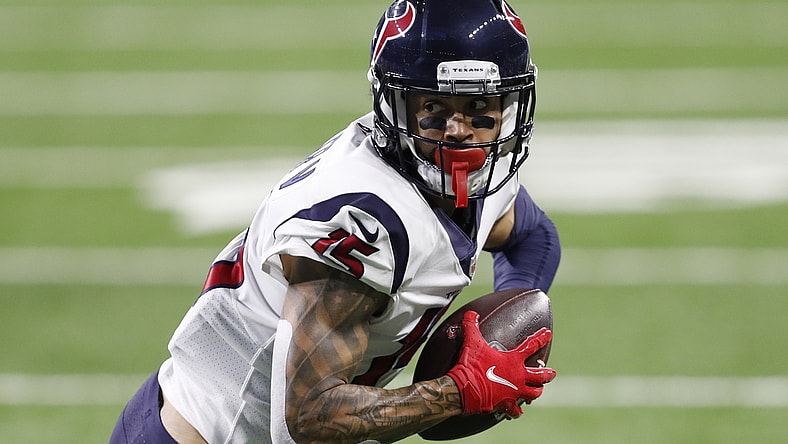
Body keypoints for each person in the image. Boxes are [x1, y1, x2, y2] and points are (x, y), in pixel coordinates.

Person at [110, 0, 561, 442]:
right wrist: (459, 389)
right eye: (434, 108)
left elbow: (533, 236)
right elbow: (309, 418)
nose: (459, 131)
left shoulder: (483, 176)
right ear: (396, 106)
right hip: (207, 431)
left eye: (479, 106)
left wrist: (497, 336)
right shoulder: (364, 217)